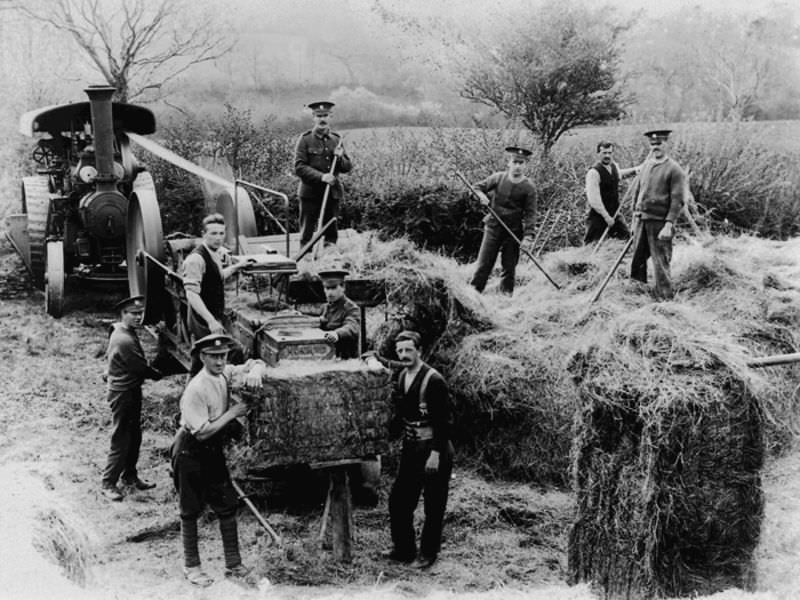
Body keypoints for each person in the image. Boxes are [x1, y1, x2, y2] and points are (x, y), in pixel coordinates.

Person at [170, 334, 269, 587]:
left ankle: (233, 564)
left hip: (212, 450)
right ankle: (191, 566)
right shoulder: (196, 387)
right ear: (202, 357)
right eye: (213, 357)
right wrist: (233, 413)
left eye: (223, 356)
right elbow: (201, 431)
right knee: (190, 509)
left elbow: (255, 362)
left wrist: (256, 370)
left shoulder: (225, 373)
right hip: (190, 450)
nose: (219, 361)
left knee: (227, 503)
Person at [384, 330, 454, 569]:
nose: (404, 354)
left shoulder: (433, 381)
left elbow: (444, 423)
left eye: (409, 350)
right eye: (400, 351)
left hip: (434, 449)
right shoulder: (403, 376)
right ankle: (404, 548)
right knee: (399, 500)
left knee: (434, 504)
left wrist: (435, 454)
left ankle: (428, 553)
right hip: (411, 447)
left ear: (419, 351)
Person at [101, 296, 162, 502]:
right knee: (121, 438)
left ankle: (130, 476)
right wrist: (160, 372)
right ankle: (108, 483)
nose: (138, 317)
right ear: (123, 314)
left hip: (130, 389)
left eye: (140, 313)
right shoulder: (124, 339)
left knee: (134, 435)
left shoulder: (121, 329)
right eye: (133, 314)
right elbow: (140, 368)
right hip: (123, 392)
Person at [182, 213, 250, 373]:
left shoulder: (215, 253)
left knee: (202, 357)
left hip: (214, 313)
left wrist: (237, 267)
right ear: (203, 234)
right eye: (213, 233)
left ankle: (197, 389)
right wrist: (211, 321)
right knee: (230, 351)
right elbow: (191, 294)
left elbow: (217, 277)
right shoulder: (195, 260)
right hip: (202, 318)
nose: (218, 238)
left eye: (221, 233)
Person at [469, 146, 537, 295]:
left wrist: (528, 237)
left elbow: (531, 214)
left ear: (526, 165)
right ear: (509, 163)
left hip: (513, 233)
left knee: (509, 268)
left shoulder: (529, 187)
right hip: (493, 228)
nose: (517, 166)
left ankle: (505, 299)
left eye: (521, 163)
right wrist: (481, 195)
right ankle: (473, 296)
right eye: (515, 162)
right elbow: (476, 187)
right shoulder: (498, 178)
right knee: (483, 265)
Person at [629, 129, 687, 300]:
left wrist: (669, 225)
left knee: (660, 262)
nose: (655, 147)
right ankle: (637, 293)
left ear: (666, 144)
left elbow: (677, 200)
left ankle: (665, 298)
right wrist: (634, 219)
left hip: (660, 223)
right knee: (637, 259)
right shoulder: (645, 166)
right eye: (652, 144)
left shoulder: (674, 169)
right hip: (641, 220)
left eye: (659, 144)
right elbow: (637, 193)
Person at [294, 101, 353, 249]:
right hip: (310, 194)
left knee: (330, 231)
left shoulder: (336, 139)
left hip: (331, 194)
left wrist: (340, 157)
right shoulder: (305, 139)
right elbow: (299, 167)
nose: (322, 119)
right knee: (307, 232)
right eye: (319, 116)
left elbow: (347, 167)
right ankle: (306, 262)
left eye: (325, 115)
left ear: (330, 117)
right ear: (313, 117)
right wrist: (322, 177)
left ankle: (329, 261)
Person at [584, 141, 641, 244]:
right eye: (604, 153)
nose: (607, 156)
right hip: (597, 216)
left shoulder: (613, 166)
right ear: (598, 154)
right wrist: (606, 217)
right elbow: (594, 200)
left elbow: (619, 175)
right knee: (593, 246)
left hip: (614, 213)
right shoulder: (593, 173)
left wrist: (635, 170)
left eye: (610, 153)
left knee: (626, 239)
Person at [318, 268, 360, 359]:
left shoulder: (351, 308)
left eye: (333, 288)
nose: (330, 292)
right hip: (326, 356)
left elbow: (352, 327)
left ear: (343, 287)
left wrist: (336, 334)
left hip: (346, 359)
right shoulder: (324, 308)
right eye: (327, 288)